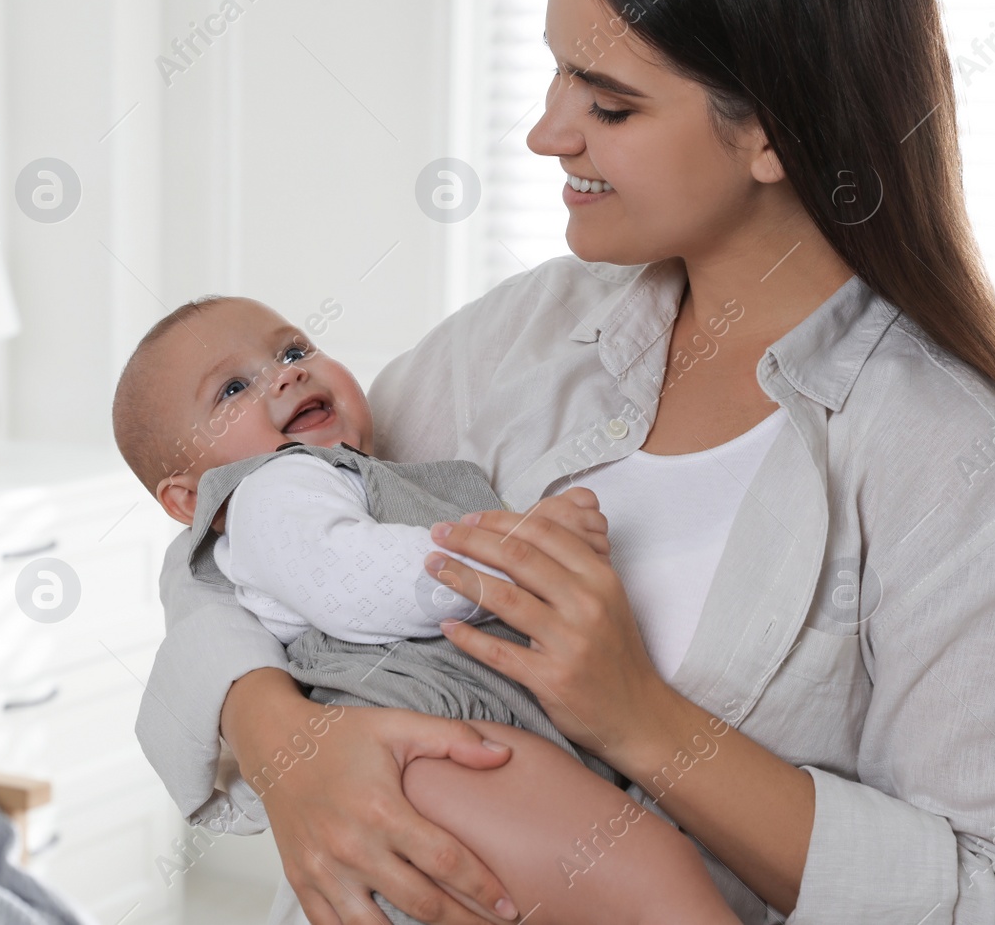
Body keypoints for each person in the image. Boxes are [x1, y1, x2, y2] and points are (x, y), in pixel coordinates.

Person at [134, 0, 995, 922]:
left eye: (608, 103)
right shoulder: (516, 339)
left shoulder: (968, 477)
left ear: (767, 130)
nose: (545, 131)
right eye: (558, 73)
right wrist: (280, 738)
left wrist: (641, 721)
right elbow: (241, 529)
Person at [111, 294, 739, 923]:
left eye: (293, 350)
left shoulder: (344, 481)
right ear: (191, 499)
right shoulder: (270, 489)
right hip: (422, 738)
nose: (287, 373)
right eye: (233, 389)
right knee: (655, 881)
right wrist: (522, 555)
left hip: (450, 747)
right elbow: (356, 581)